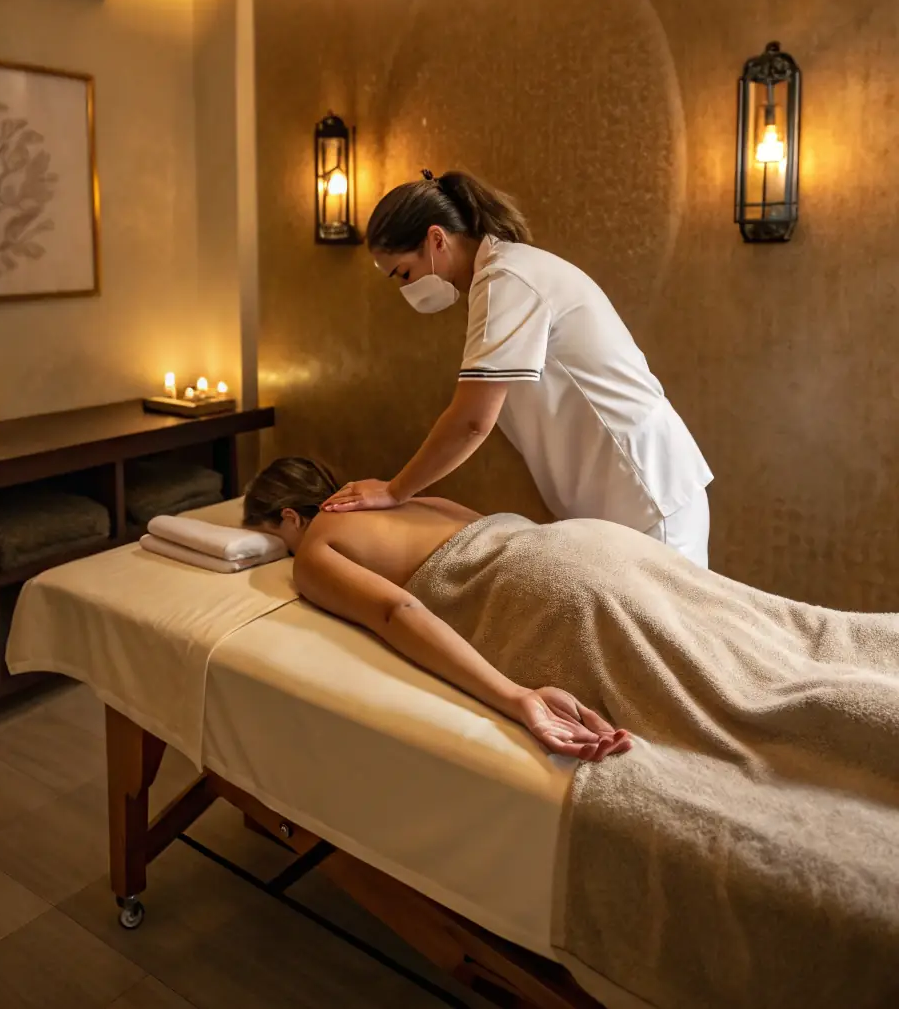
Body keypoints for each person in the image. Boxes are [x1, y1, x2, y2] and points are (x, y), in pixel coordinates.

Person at [244, 457, 899, 786]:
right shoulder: (379, 485)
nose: (285, 554)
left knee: (739, 703)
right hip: (580, 541)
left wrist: (515, 695)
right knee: (766, 645)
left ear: (290, 518)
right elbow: (478, 526)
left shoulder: (318, 548)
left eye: (274, 539)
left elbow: (397, 609)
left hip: (548, 585)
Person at [323, 170, 713, 566]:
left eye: (404, 273)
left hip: (645, 494)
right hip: (618, 499)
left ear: (436, 239)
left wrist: (395, 491)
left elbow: (472, 421)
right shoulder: (502, 276)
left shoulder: (506, 280)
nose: (407, 288)